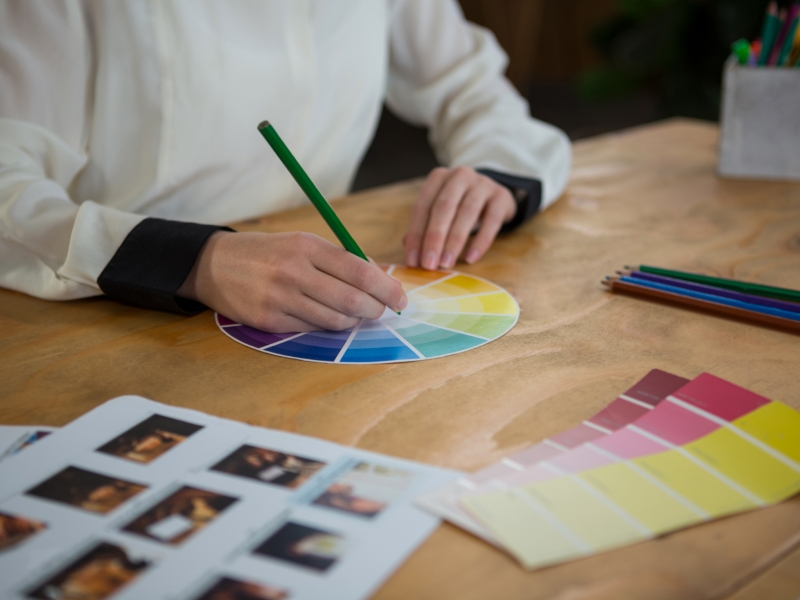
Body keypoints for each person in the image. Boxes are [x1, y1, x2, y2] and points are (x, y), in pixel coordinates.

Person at [0, 1, 571, 333]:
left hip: (322, 304)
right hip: (112, 315)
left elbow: (470, 87)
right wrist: (195, 260)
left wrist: (498, 173)